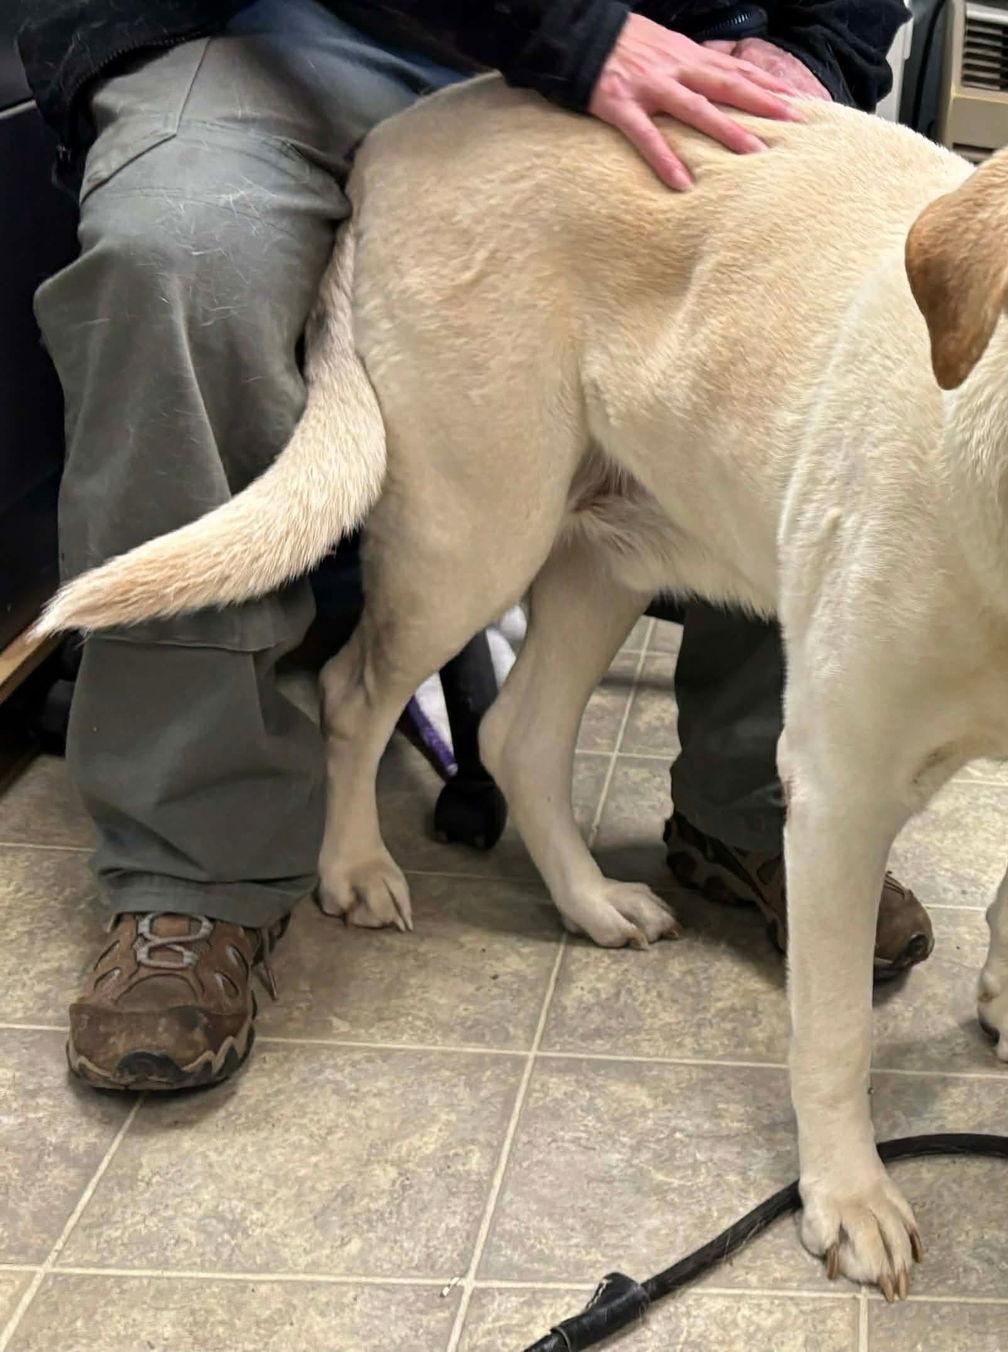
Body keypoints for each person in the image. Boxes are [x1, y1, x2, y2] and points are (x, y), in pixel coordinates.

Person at [18, 0, 935, 1093]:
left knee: (828, 296)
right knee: (183, 255)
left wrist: (808, 48)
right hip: (279, 34)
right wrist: (570, 34)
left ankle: (753, 804)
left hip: (662, 46)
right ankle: (192, 867)